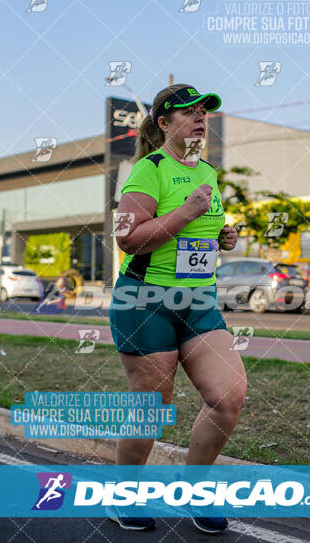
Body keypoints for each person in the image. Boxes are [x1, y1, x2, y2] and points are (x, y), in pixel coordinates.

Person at [109, 84, 247, 534]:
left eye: (204, 112)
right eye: (188, 113)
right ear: (165, 124)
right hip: (145, 300)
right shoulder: (149, 170)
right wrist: (187, 214)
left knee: (228, 397)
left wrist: (221, 239)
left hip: (198, 299)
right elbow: (128, 238)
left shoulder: (207, 172)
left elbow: (197, 239)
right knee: (153, 406)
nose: (200, 118)